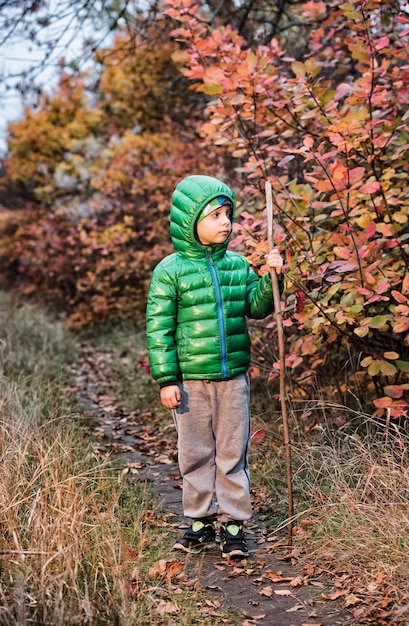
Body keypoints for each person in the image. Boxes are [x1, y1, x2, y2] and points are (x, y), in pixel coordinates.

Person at [146, 174, 284, 559]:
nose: (226, 222)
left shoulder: (237, 265)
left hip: (232, 378)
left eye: (228, 214)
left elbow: (256, 307)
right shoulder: (170, 271)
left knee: (232, 451)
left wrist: (272, 277)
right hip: (189, 382)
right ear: (191, 221)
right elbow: (159, 329)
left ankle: (235, 524)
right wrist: (166, 379)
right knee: (195, 452)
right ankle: (200, 520)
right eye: (215, 215)